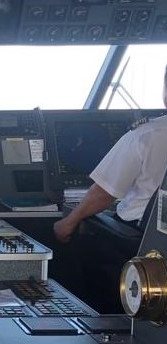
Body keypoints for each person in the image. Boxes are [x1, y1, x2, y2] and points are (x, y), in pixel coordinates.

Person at [52, 65, 167, 243]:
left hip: (141, 239)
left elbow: (103, 196)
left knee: (80, 230)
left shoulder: (145, 136)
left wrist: (67, 223)